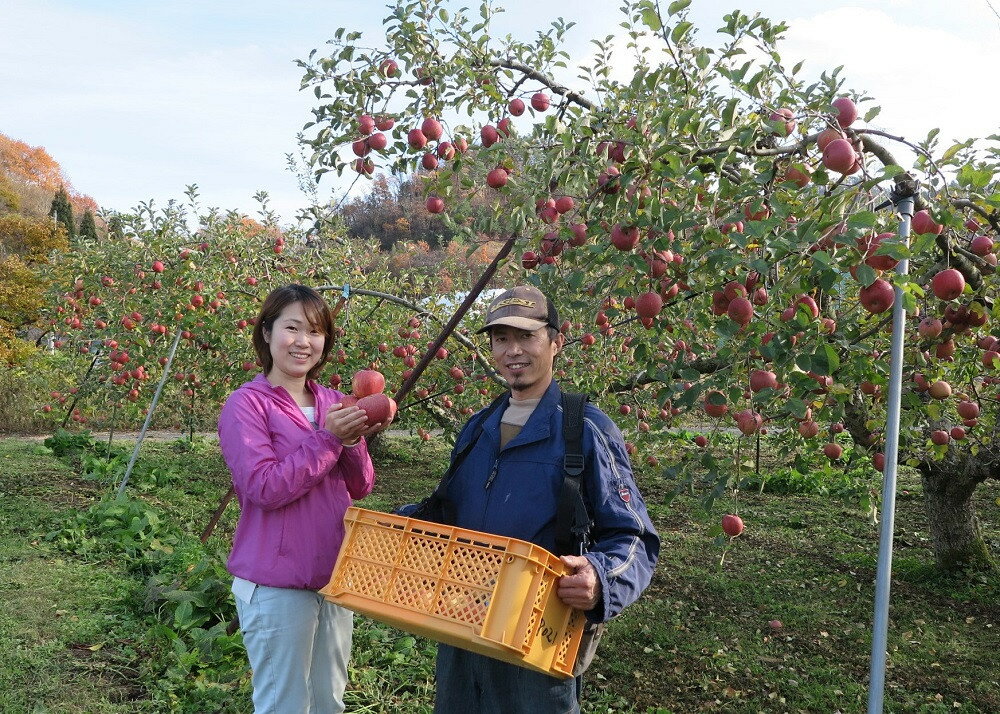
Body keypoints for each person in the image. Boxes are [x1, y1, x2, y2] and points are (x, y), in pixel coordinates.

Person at [433, 284, 661, 714]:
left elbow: (634, 537)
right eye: (501, 339)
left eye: (526, 336)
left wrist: (600, 577)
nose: (512, 350)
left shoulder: (583, 428)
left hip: (538, 634)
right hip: (461, 627)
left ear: (555, 343)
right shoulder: (476, 429)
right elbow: (445, 514)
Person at [217, 284, 388, 713]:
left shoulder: (334, 401)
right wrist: (330, 438)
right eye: (292, 327)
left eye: (315, 331)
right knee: (285, 704)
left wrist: (352, 442)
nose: (303, 341)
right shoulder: (247, 405)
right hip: (277, 584)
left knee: (329, 701)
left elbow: (361, 485)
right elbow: (264, 487)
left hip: (333, 578)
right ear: (267, 332)